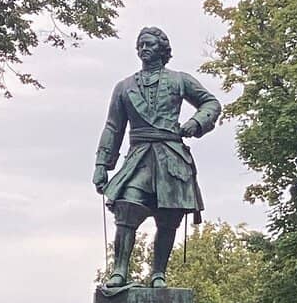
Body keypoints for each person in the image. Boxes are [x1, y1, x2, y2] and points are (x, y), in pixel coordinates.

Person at [93, 26, 221, 286]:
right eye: (140, 45)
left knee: (168, 217)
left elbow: (211, 103)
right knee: (127, 206)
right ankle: (119, 270)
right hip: (138, 158)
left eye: (149, 44)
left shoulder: (179, 80)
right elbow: (113, 127)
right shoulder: (124, 87)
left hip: (170, 157)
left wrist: (196, 123)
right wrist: (102, 164)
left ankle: (159, 273)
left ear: (162, 49)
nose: (144, 49)